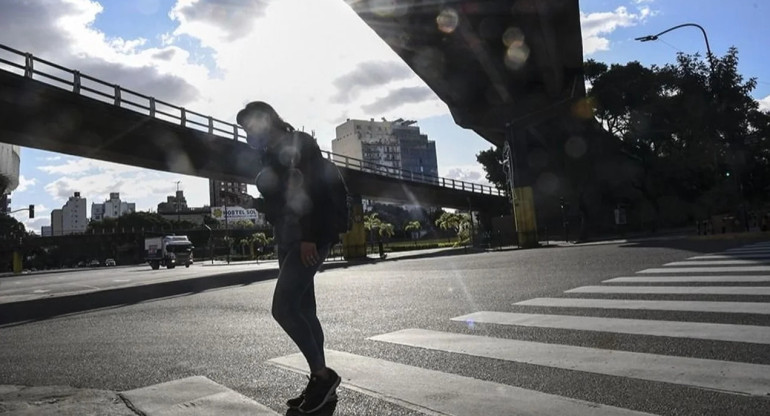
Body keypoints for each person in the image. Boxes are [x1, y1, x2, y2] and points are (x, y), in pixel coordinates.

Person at [237, 101, 341, 413]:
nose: (248, 134)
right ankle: (322, 385)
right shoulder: (270, 154)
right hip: (287, 238)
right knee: (305, 310)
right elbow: (281, 201)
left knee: (282, 309)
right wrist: (253, 203)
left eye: (250, 126)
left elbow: (311, 190)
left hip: (308, 238)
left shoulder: (300, 143)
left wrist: (309, 236)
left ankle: (324, 377)